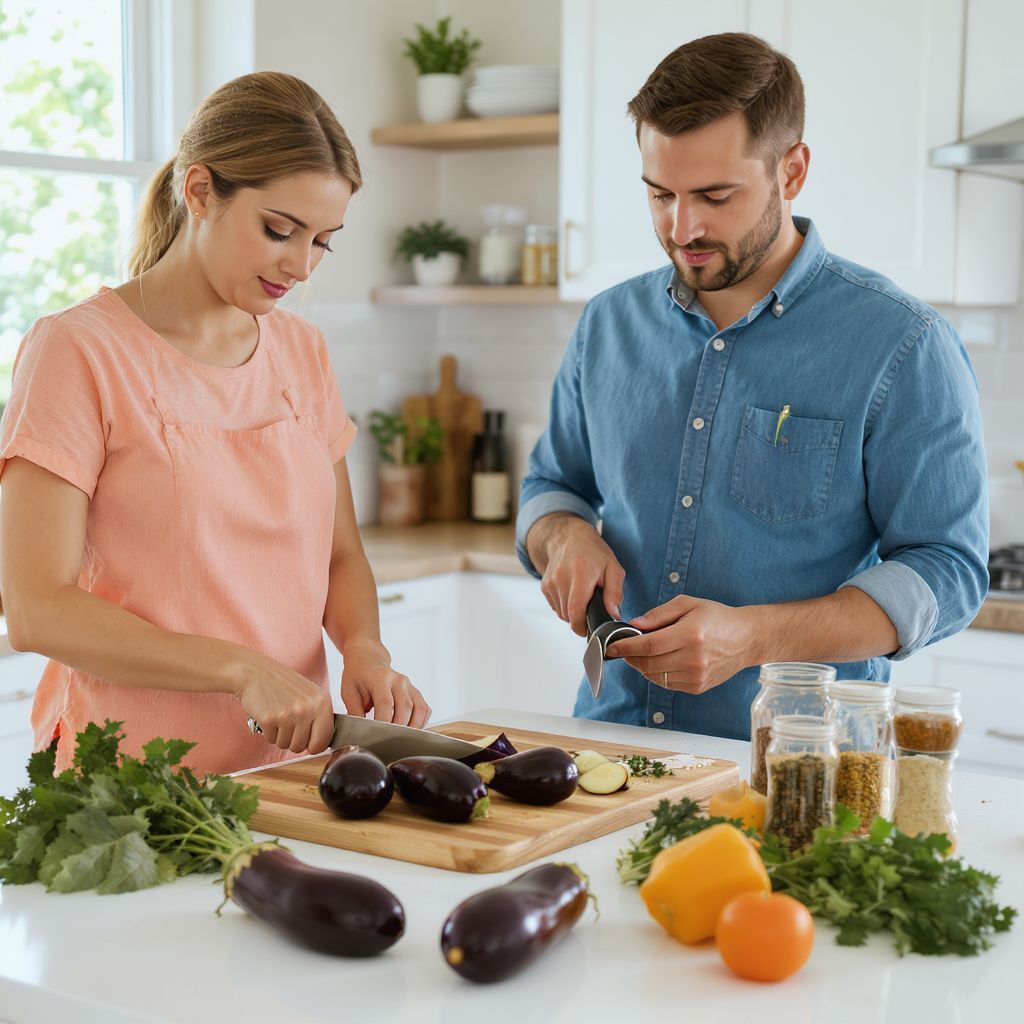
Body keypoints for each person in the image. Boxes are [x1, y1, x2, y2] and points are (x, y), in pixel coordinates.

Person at [516, 33, 988, 740]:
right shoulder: (607, 324)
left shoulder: (903, 343)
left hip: (802, 767)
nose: (684, 228)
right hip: (613, 742)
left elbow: (946, 570)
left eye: (714, 195)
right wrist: (564, 537)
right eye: (660, 194)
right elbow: (551, 485)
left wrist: (754, 638)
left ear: (791, 170)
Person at [0, 72, 429, 775]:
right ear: (200, 192)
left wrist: (365, 649)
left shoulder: (301, 350)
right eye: (279, 231)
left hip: (286, 769)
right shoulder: (78, 350)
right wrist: (239, 667)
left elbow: (339, 555)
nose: (301, 265)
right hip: (129, 784)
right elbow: (38, 607)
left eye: (324, 241)